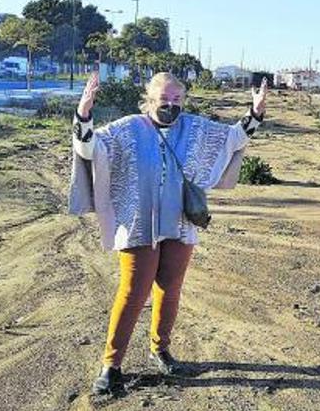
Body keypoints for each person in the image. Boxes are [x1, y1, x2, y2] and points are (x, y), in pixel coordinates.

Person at [68, 72, 268, 394]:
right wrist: (84, 112)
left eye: (177, 99)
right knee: (133, 292)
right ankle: (111, 365)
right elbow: (90, 148)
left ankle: (160, 349)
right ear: (150, 99)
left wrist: (255, 112)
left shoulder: (194, 128)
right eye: (164, 99)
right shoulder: (128, 128)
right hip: (138, 223)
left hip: (179, 223)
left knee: (170, 288)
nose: (171, 104)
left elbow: (233, 138)